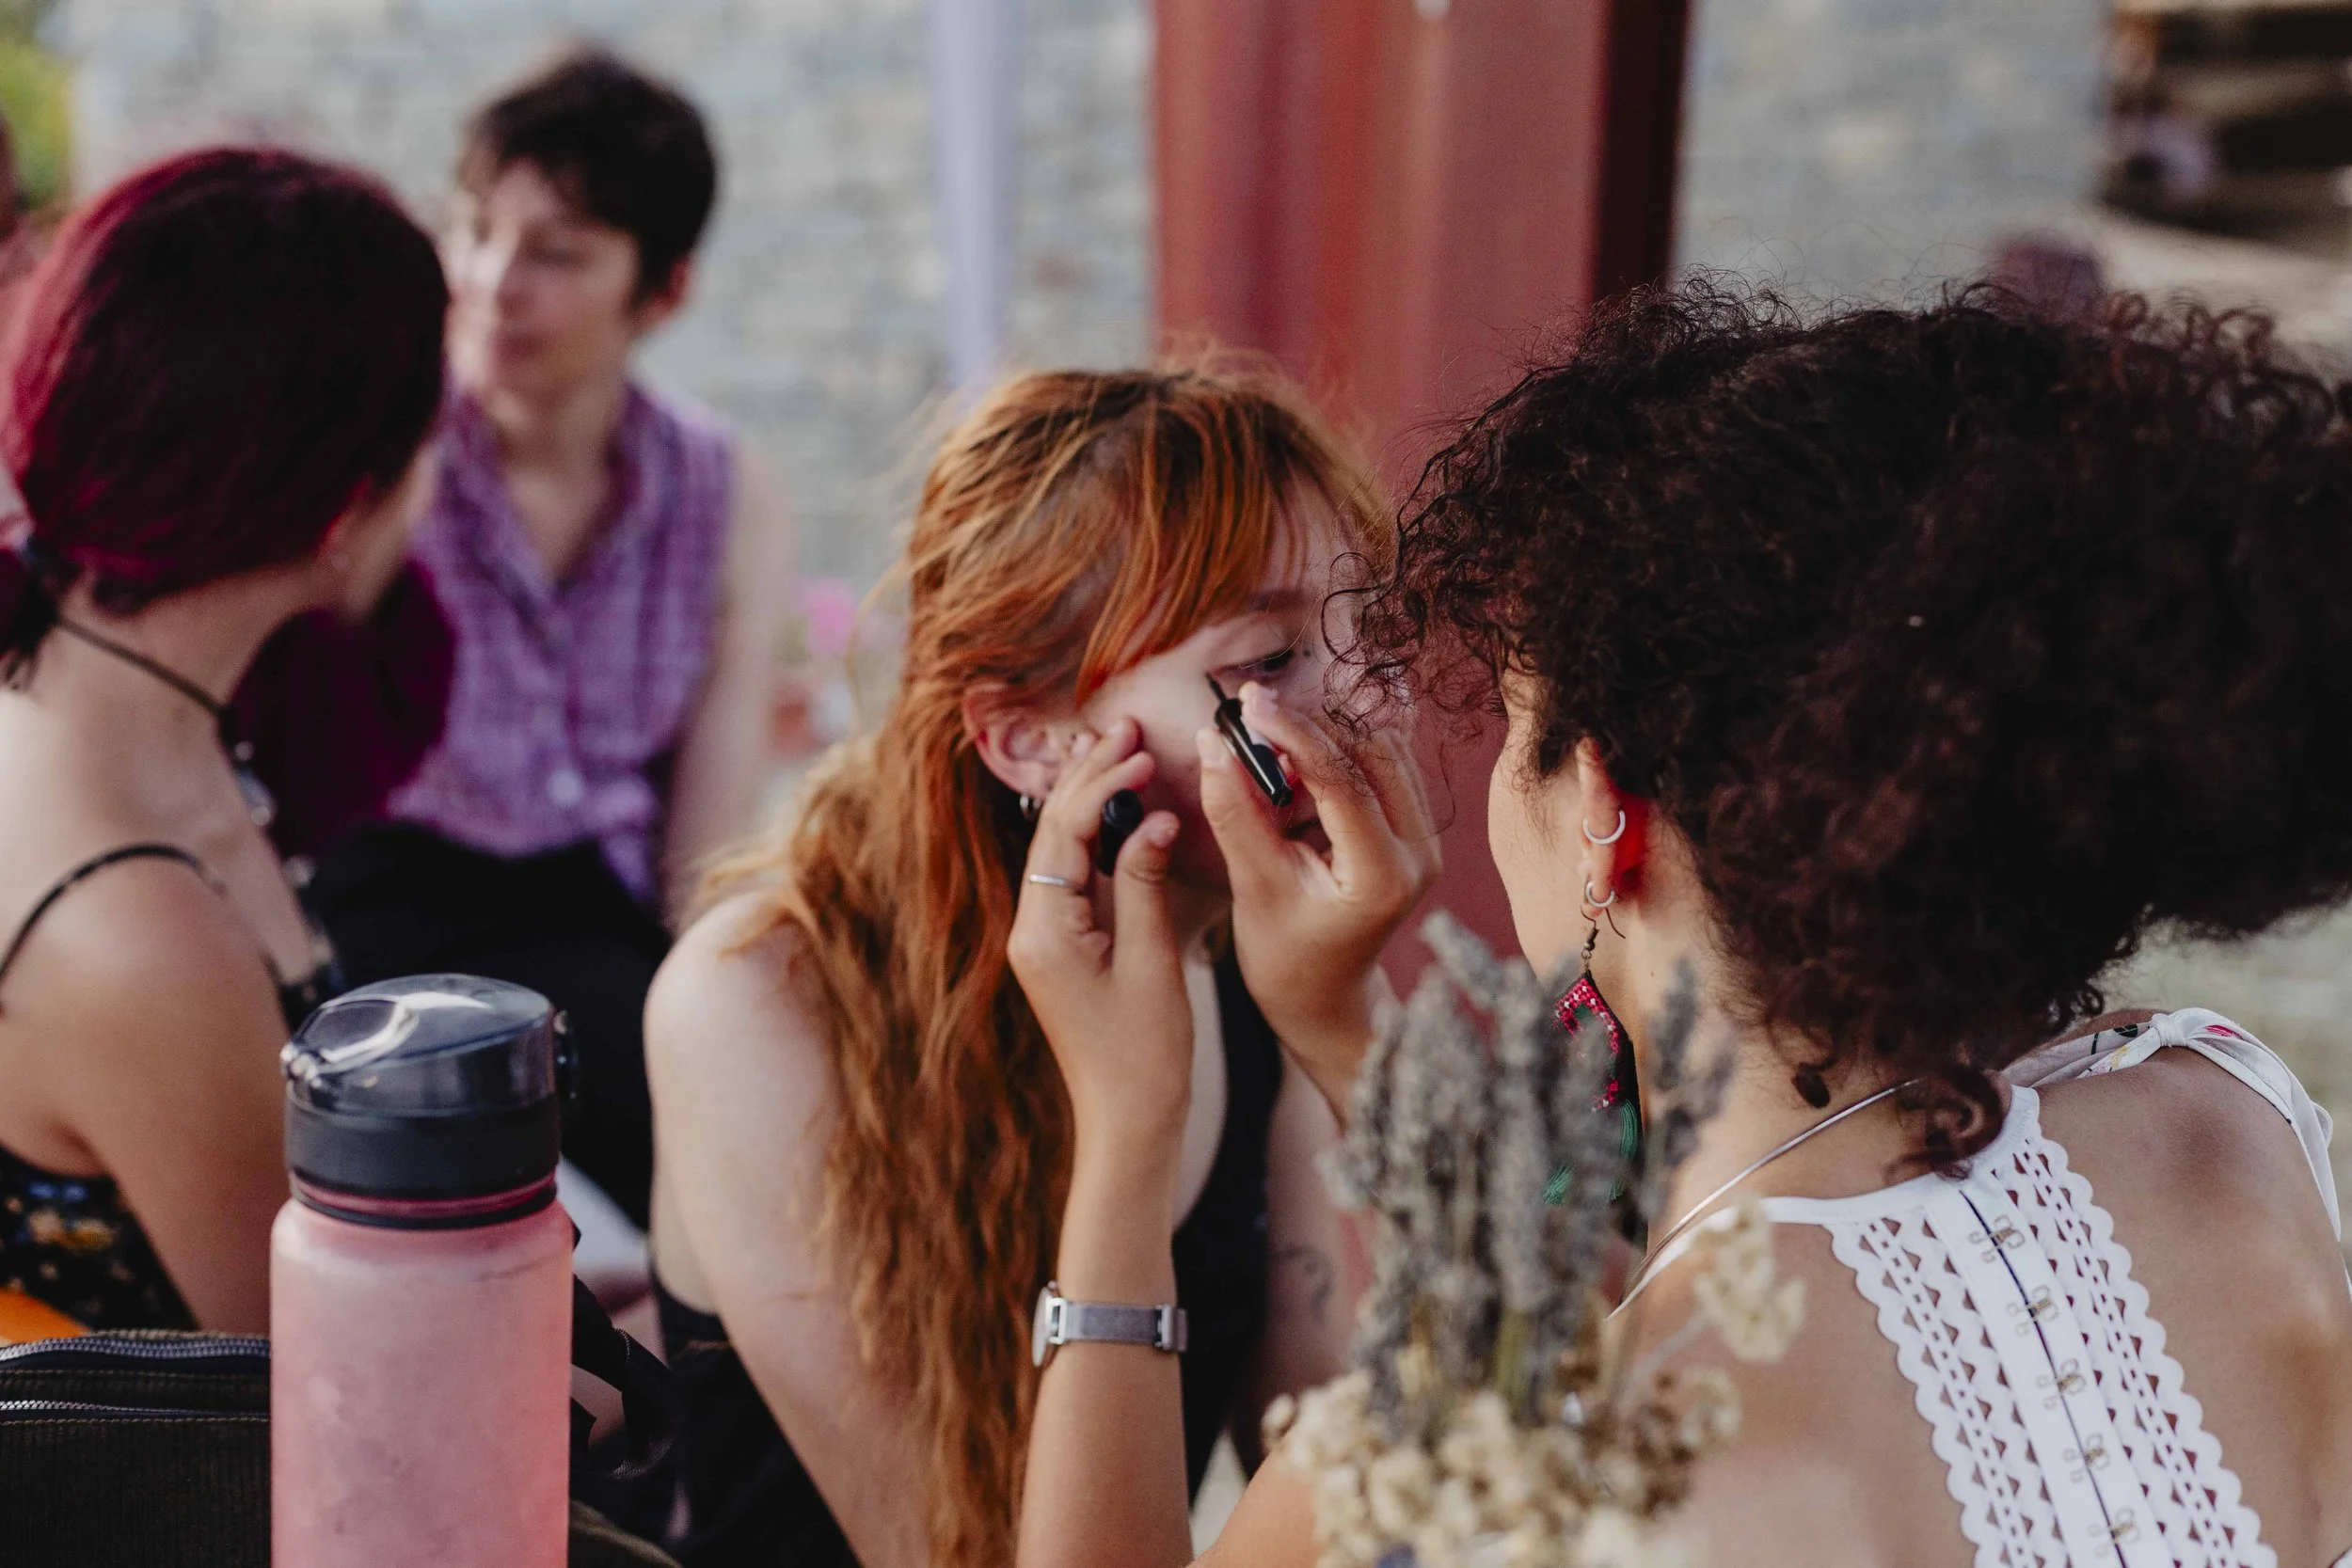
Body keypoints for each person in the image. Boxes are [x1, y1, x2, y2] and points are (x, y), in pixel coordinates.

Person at [1011, 288, 2352, 1566]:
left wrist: (1126, 1138)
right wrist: (1340, 1020)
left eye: (1519, 722)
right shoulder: (2228, 1107)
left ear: (1605, 800)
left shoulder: (1531, 1432)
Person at [644, 365, 1438, 1568]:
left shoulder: (1247, 950)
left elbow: (1343, 1462)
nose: (1368, 700)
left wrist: (1358, 1016)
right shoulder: (757, 1004)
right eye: (1269, 659)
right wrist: (1129, 1129)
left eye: (1361, 630)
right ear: (1030, 737)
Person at [274, 49, 791, 1228]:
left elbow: (706, 839)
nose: (494, 281)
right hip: (378, 901)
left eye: (556, 253)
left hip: (589, 924)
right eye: (473, 229)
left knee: (749, 1152)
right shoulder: (382, 444)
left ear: (661, 293)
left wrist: (720, 1015)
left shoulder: (719, 487)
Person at [0, 148, 445, 1333]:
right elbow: (337, 1376)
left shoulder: (102, 700)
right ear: (347, 504)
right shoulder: (136, 929)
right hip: (179, 1509)